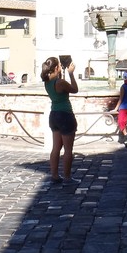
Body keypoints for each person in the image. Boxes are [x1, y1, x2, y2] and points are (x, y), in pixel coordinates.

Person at [41, 56, 79, 185]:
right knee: (68, 149)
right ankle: (67, 177)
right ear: (57, 67)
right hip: (65, 114)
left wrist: (61, 72)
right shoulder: (60, 83)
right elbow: (75, 89)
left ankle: (55, 175)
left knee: (56, 147)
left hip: (54, 115)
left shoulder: (47, 82)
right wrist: (71, 74)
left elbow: (59, 86)